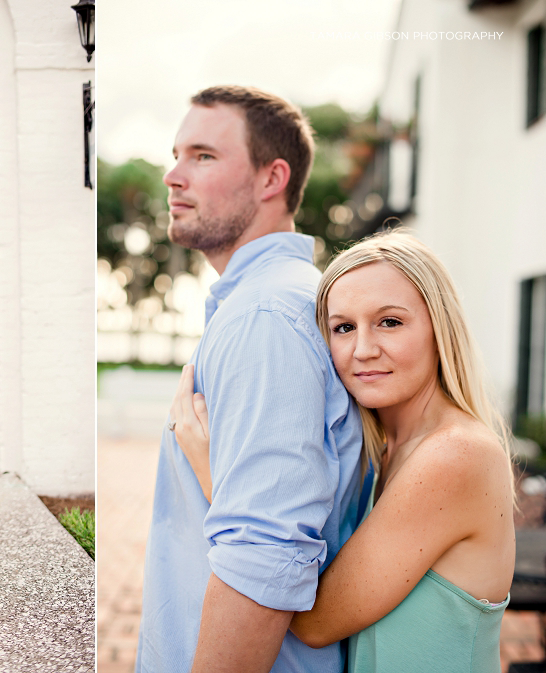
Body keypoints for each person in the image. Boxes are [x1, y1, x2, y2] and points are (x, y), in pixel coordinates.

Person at [173, 230, 515, 672]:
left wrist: (216, 476)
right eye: (343, 328)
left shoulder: (455, 455)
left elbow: (315, 623)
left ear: (439, 327)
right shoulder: (388, 454)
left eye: (390, 322)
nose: (364, 350)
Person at [136, 85, 365, 673]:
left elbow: (263, 551)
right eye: (177, 153)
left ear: (272, 179)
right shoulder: (272, 303)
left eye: (204, 156)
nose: (173, 176)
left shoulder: (267, 317)